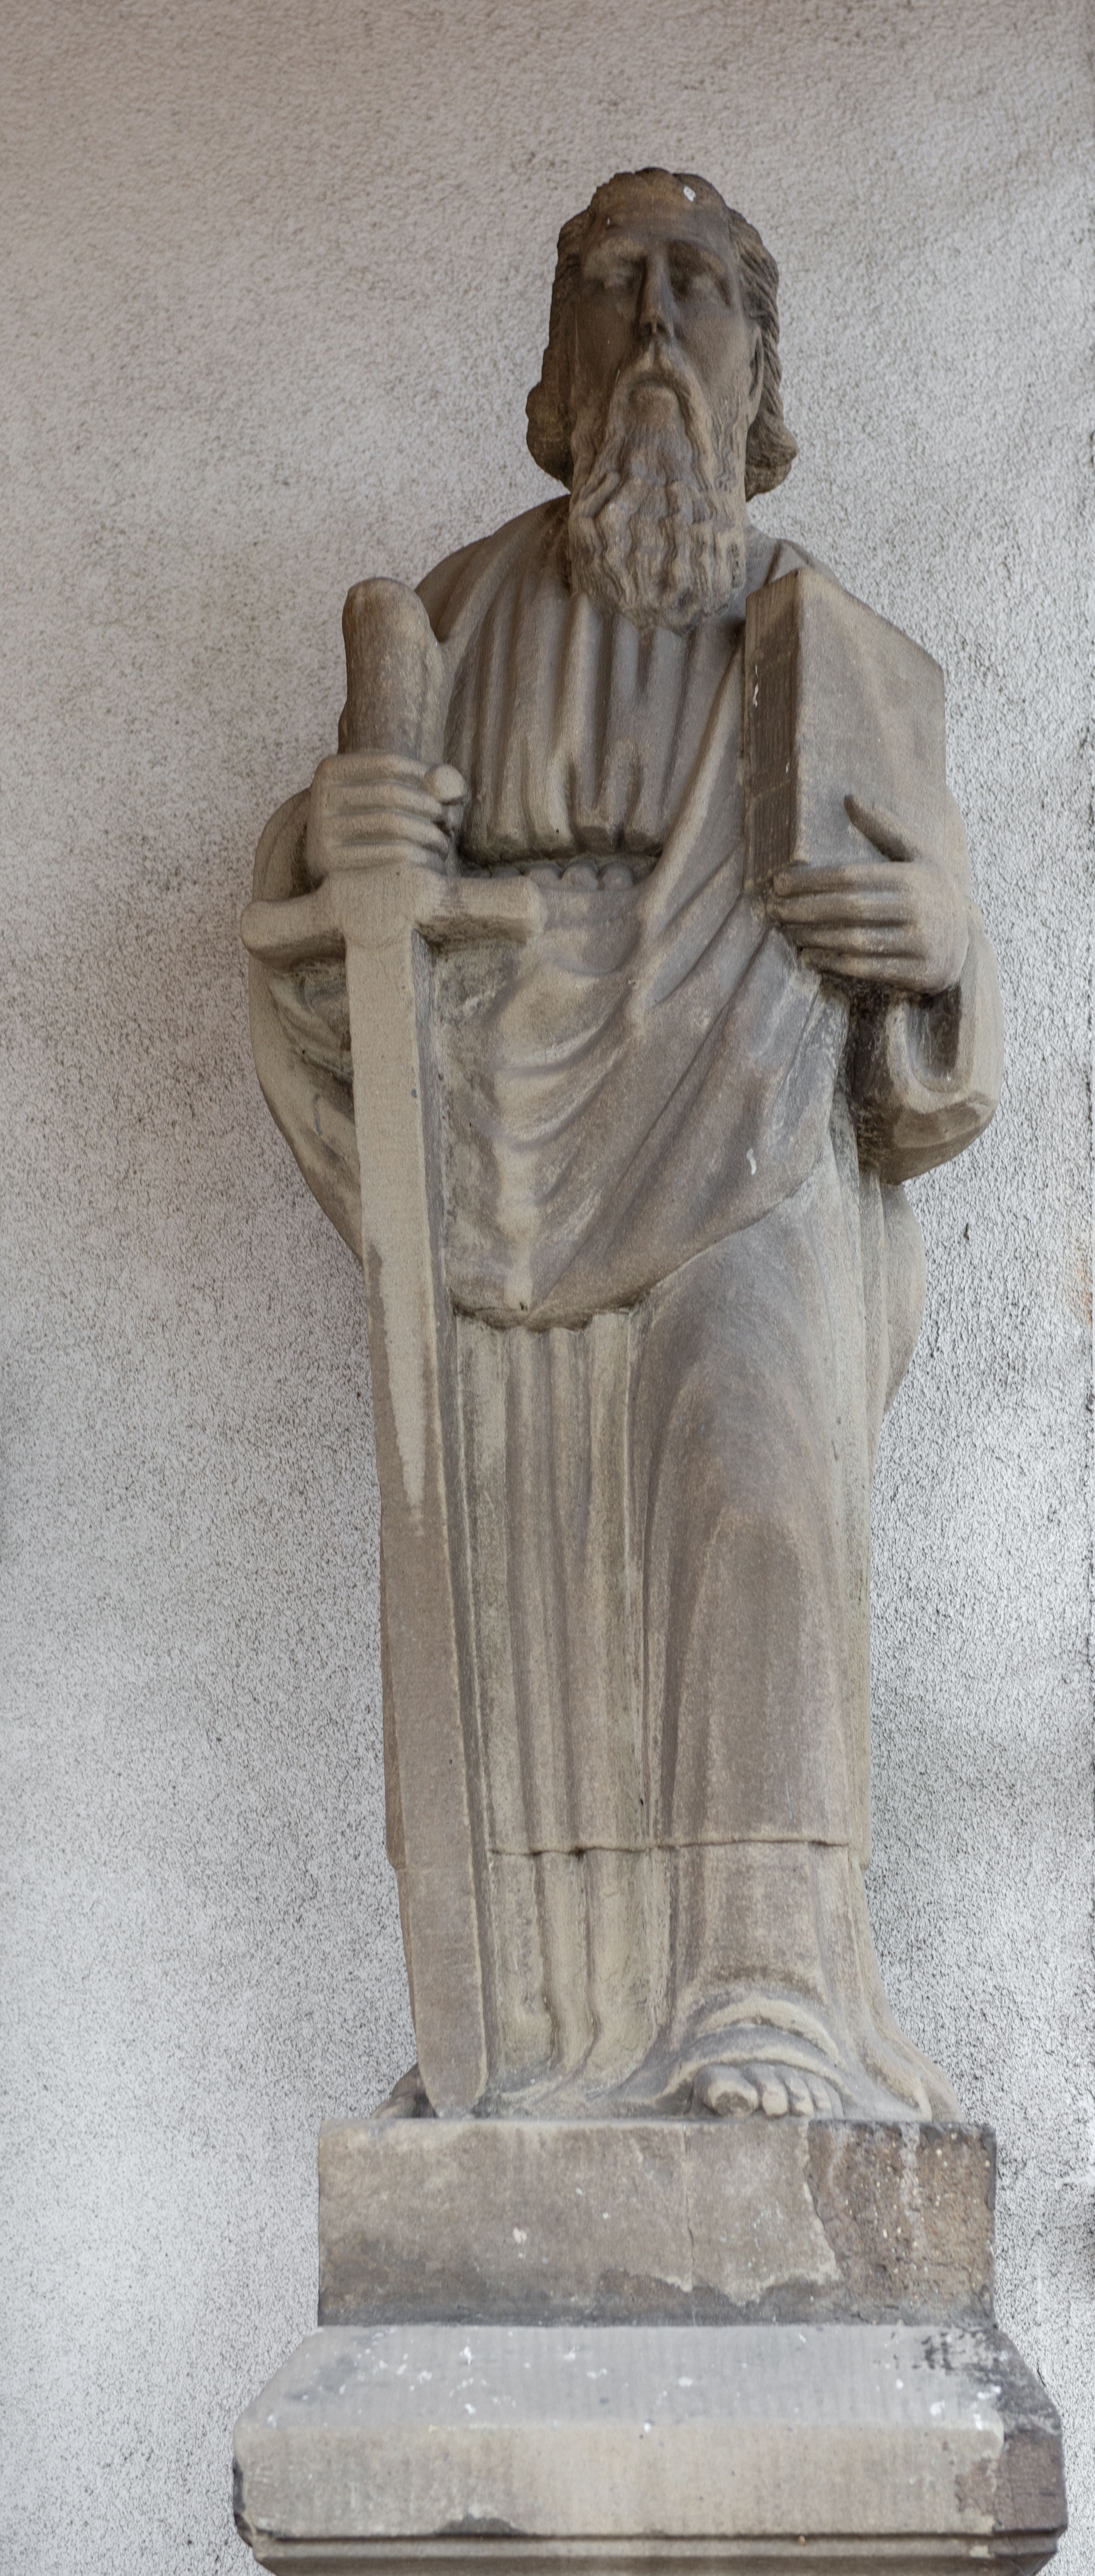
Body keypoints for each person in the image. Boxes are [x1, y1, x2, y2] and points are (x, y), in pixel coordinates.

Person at [250, 168, 1002, 2121]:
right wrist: (330, 847)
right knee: (517, 1566)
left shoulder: (840, 650)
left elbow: (928, 1053)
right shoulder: (456, 616)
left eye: (699, 293)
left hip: (753, 1131)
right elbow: (343, 935)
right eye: (613, 290)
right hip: (503, 1151)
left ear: (759, 369)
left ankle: (763, 1996)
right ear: (562, 363)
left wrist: (933, 949)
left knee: (755, 1479)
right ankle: (520, 2037)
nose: (657, 330)